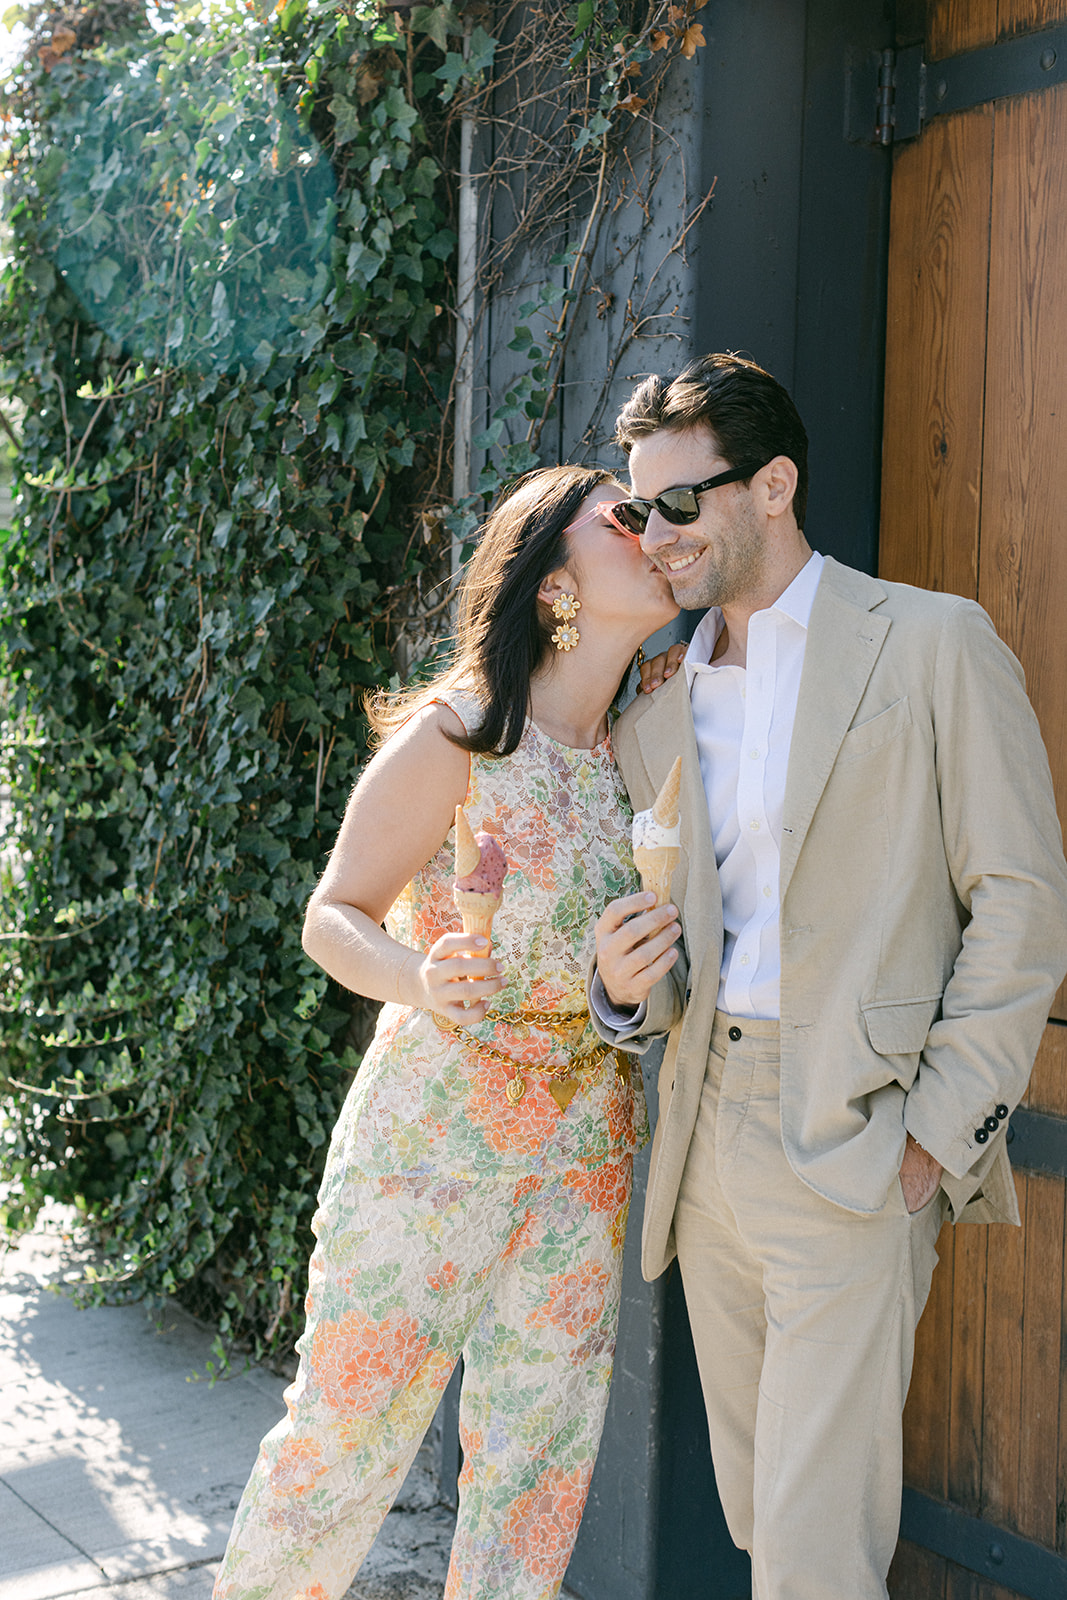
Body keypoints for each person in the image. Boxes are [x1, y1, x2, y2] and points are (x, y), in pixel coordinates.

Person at [590, 353, 1067, 1600]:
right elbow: (679, 937)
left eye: (678, 505)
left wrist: (930, 1138)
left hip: (853, 1137)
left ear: (773, 487)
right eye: (638, 511)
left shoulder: (926, 643)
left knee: (810, 1553)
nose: (656, 537)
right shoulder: (661, 703)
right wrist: (622, 993)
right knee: (759, 1518)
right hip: (705, 1143)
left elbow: (1019, 898)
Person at [213, 464, 679, 1600]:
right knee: (341, 1442)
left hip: (580, 1156)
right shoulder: (462, 734)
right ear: (554, 577)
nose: (654, 527)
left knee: (536, 1469)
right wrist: (419, 976)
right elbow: (332, 915)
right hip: (432, 1146)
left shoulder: (649, 753)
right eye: (624, 514)